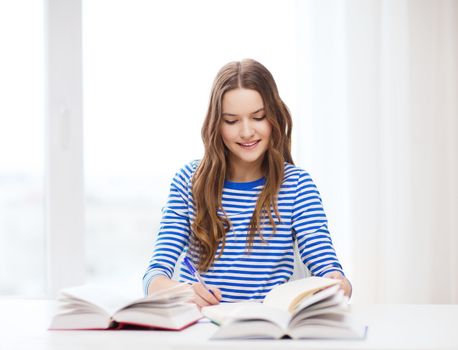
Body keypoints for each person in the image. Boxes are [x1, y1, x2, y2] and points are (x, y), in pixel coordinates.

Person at [143, 58, 352, 307]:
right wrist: (181, 290)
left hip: (267, 329)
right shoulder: (188, 182)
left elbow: (326, 265)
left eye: (258, 117)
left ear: (274, 117)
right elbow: (154, 277)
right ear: (216, 125)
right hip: (200, 331)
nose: (246, 132)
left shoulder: (297, 186)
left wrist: (337, 283)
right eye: (231, 121)